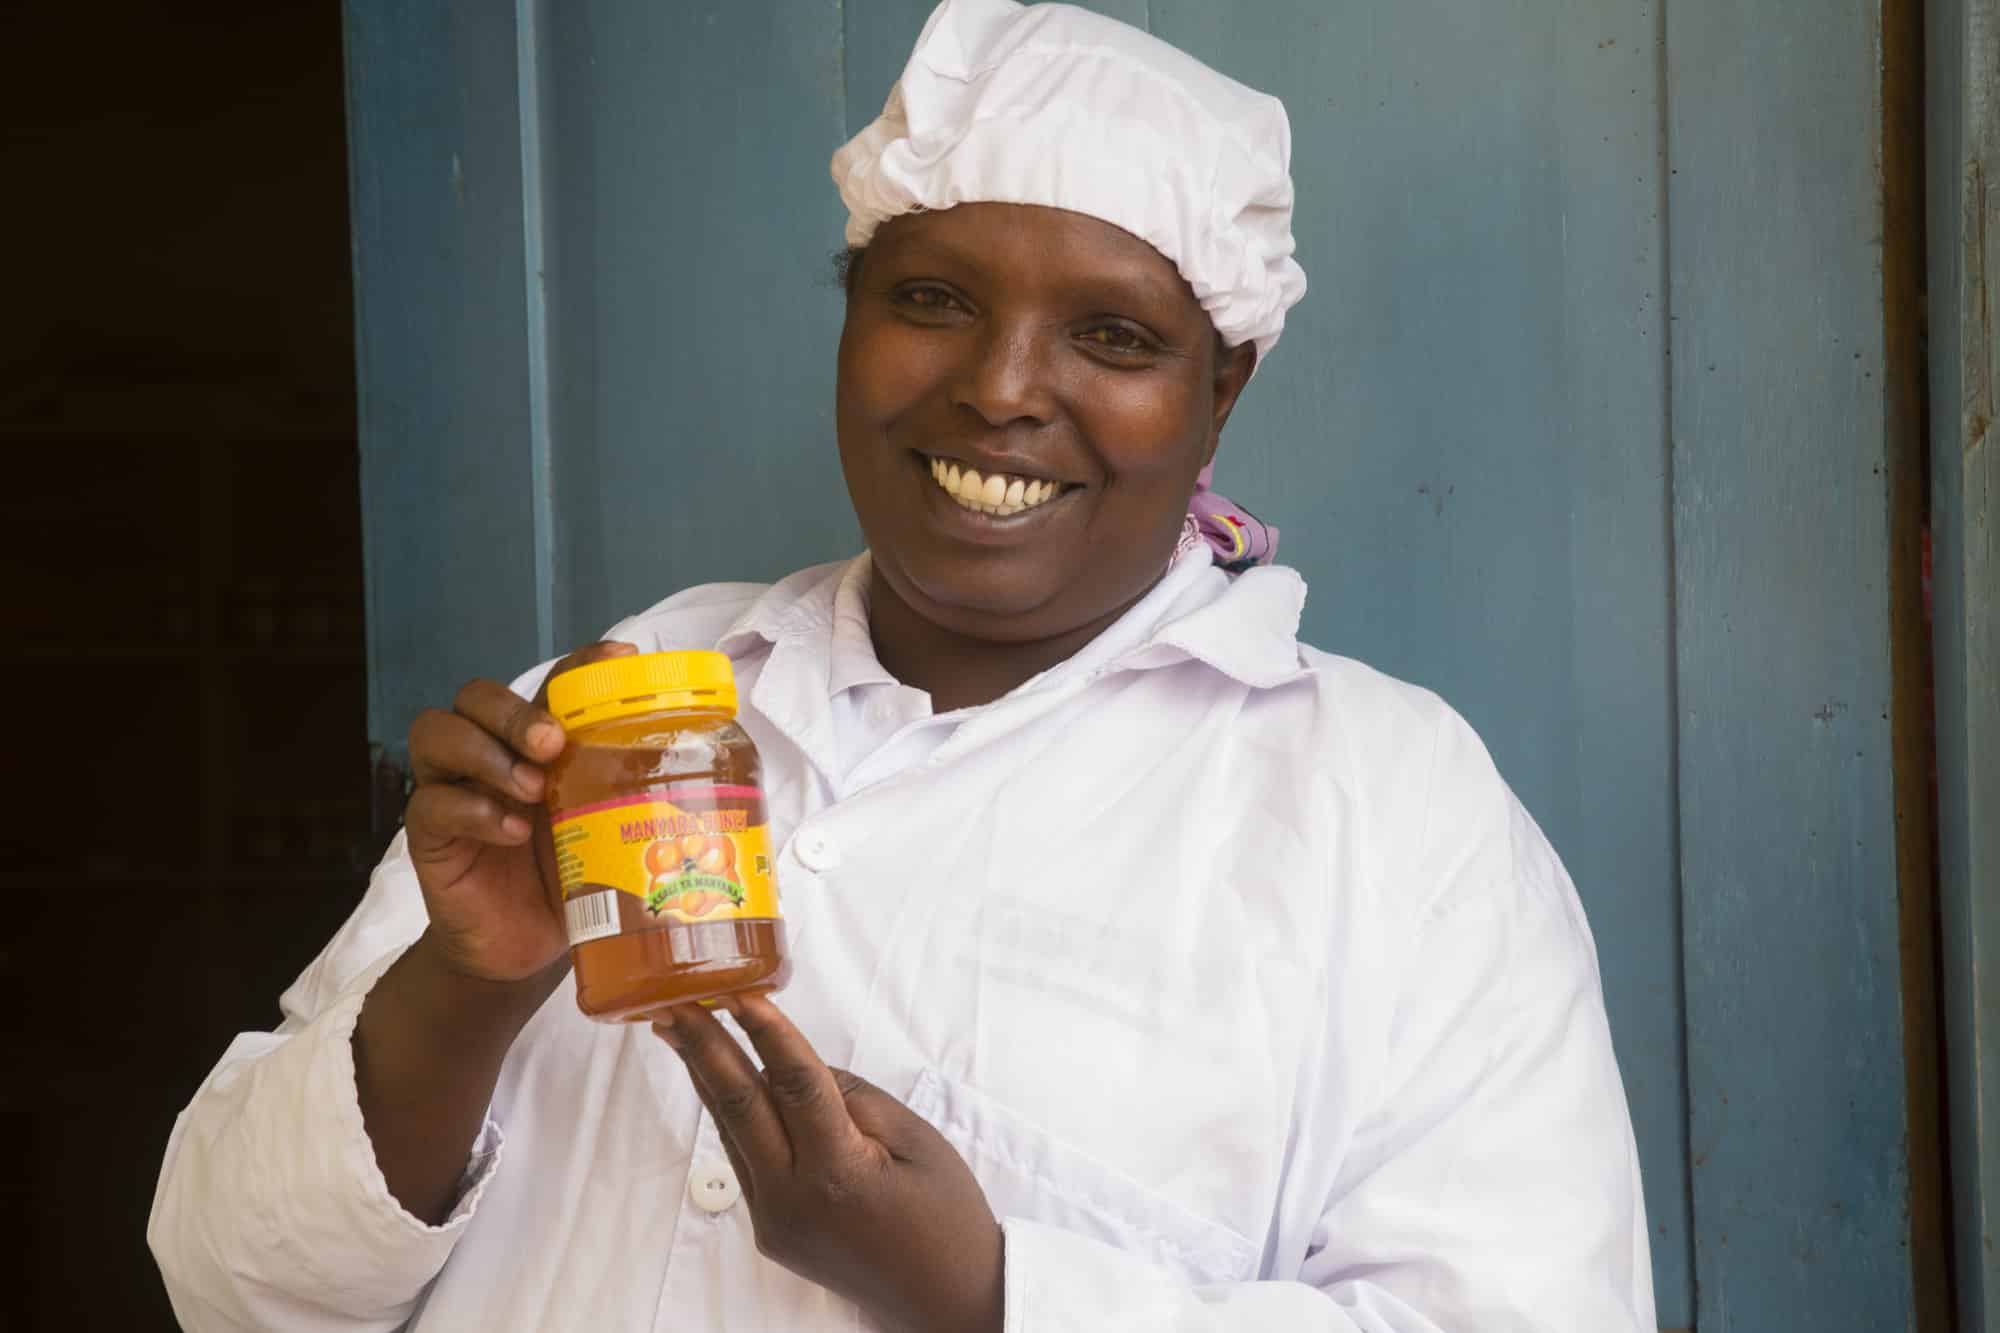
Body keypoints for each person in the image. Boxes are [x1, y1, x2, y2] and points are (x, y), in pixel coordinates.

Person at [150, 2, 1657, 1329]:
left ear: (1222, 391)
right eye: (930, 299)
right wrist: (462, 992)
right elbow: (228, 1283)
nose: (1000, 389)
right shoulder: (622, 701)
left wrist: (987, 1293)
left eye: (1114, 336)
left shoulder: (1392, 822)